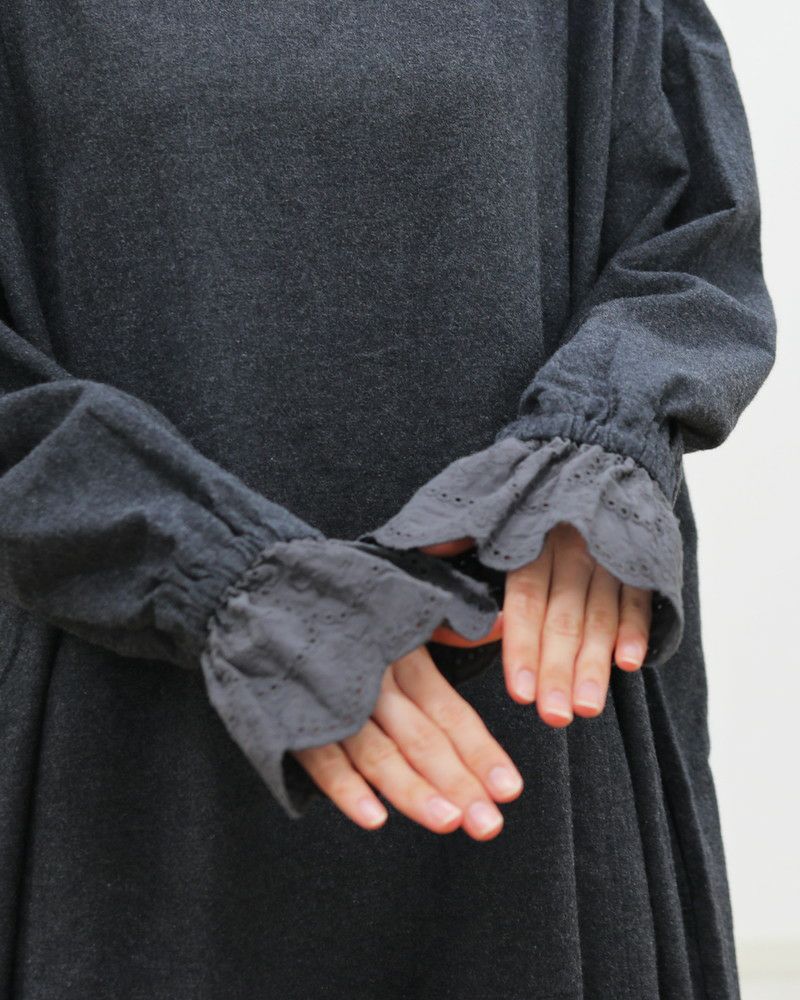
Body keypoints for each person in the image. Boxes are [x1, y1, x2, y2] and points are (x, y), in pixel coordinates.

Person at [0, 1, 776, 997]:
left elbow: (693, 242)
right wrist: (209, 570)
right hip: (125, 735)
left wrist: (593, 451)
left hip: (527, 678)